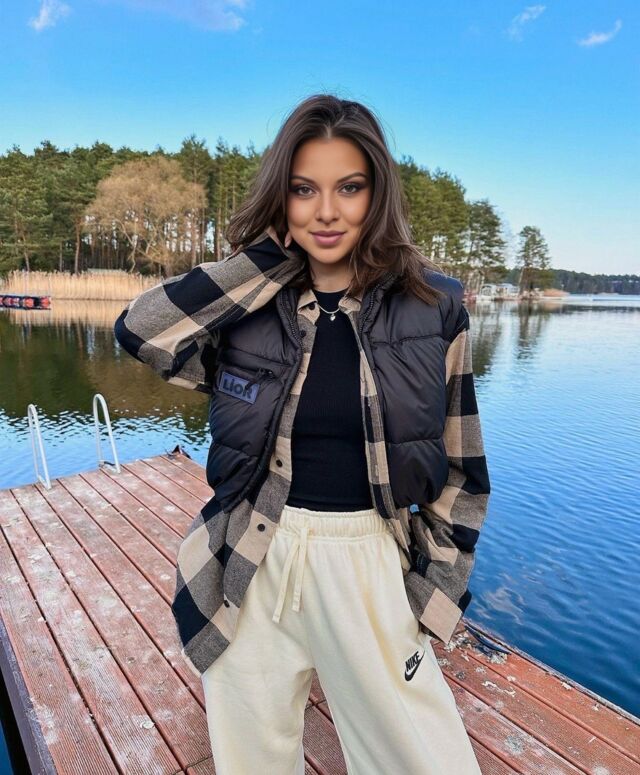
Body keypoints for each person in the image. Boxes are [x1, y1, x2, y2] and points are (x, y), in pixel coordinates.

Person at [114, 93, 491, 774]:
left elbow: (464, 471)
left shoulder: (433, 308)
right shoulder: (249, 309)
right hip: (251, 555)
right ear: (281, 198)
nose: (326, 212)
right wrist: (264, 263)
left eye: (349, 187)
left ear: (377, 193)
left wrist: (431, 593)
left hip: (369, 561)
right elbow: (142, 330)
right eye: (303, 189)